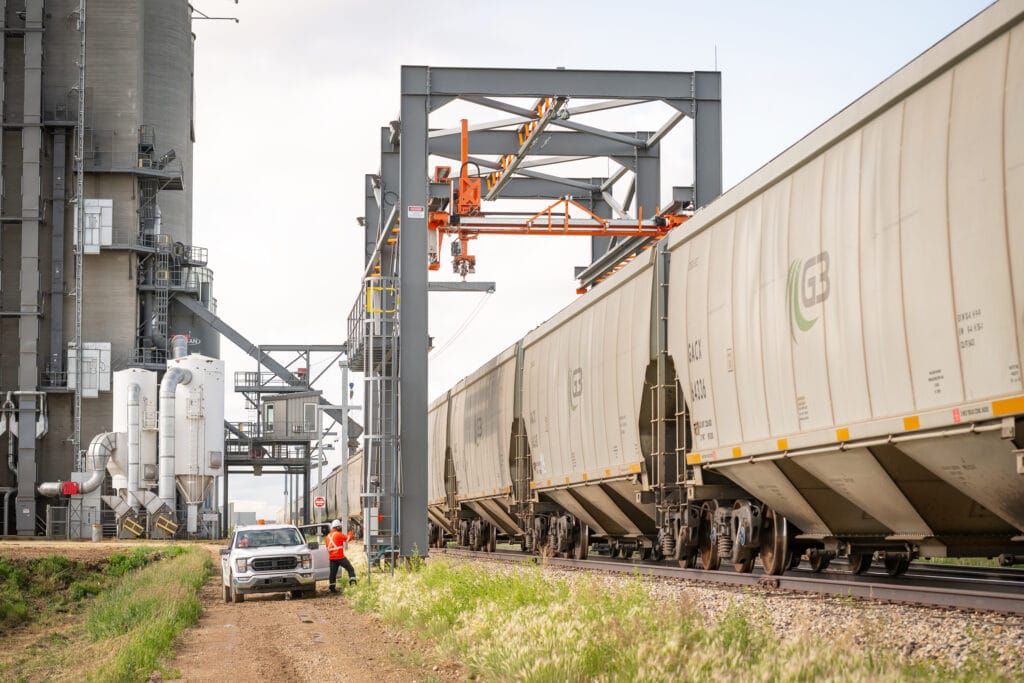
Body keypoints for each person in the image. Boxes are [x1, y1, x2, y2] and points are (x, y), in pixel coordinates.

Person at [325, 519, 356, 593]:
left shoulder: (327, 537)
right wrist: (351, 532)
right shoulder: (338, 534)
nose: (340, 528)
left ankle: (332, 588)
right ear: (337, 527)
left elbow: (327, 548)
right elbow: (348, 538)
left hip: (332, 558)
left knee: (333, 573)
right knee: (350, 568)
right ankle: (353, 582)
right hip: (340, 557)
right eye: (339, 526)